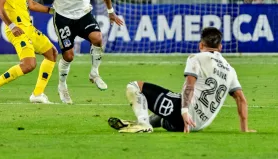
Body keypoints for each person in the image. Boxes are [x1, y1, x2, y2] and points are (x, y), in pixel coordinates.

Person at [108, 27, 255, 134]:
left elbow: (189, 85)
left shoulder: (196, 58)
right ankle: (142, 122)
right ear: (220, 47)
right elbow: (241, 100)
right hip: (198, 125)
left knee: (134, 86)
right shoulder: (230, 70)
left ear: (201, 45)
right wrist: (244, 128)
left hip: (184, 117)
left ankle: (143, 124)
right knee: (169, 107)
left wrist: (184, 112)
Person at [52, 0, 123, 104]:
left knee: (98, 38)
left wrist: (111, 11)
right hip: (63, 14)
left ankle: (94, 73)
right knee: (68, 56)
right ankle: (62, 86)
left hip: (83, 13)